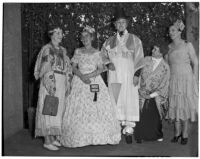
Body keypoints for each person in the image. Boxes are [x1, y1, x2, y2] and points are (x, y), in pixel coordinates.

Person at [60, 25, 121, 148]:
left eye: (87, 36)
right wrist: (82, 76)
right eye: (82, 37)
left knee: (97, 106)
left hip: (94, 81)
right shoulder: (78, 51)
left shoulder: (98, 53)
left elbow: (101, 68)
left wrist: (89, 76)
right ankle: (78, 137)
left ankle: (99, 136)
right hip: (79, 80)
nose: (84, 39)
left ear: (92, 37)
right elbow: (72, 67)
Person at [101, 7, 144, 143]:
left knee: (129, 97)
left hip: (129, 73)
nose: (120, 25)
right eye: (118, 23)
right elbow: (101, 56)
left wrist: (137, 74)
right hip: (114, 74)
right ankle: (116, 128)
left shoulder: (135, 40)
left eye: (123, 22)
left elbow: (140, 58)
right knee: (115, 97)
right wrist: (108, 64)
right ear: (114, 25)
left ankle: (129, 129)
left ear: (127, 23)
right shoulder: (108, 41)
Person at [34, 25, 72, 151]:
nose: (59, 35)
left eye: (61, 33)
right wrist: (50, 83)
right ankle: (47, 140)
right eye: (56, 33)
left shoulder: (63, 50)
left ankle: (53, 138)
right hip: (51, 80)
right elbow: (45, 67)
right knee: (48, 108)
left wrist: (68, 82)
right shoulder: (47, 49)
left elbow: (68, 68)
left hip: (61, 81)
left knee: (57, 109)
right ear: (51, 35)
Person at [166, 20, 198, 145]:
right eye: (169, 31)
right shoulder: (169, 47)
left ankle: (184, 134)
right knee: (175, 105)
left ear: (180, 31)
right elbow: (167, 65)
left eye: (173, 30)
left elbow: (196, 63)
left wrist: (194, 79)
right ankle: (177, 133)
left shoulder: (187, 44)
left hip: (186, 79)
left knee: (184, 105)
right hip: (174, 79)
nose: (170, 33)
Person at [134, 45, 170, 143]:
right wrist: (137, 84)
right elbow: (137, 70)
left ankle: (157, 134)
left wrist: (150, 96)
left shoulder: (165, 67)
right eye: (153, 48)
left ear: (161, 53)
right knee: (141, 115)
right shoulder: (146, 59)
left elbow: (165, 85)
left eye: (155, 49)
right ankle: (140, 135)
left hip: (156, 95)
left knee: (154, 113)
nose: (152, 50)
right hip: (141, 92)